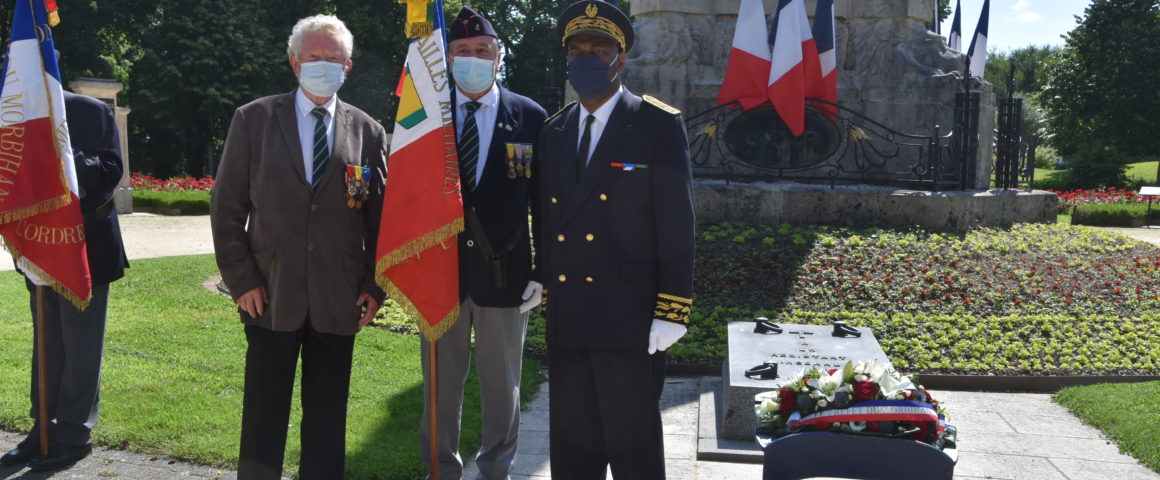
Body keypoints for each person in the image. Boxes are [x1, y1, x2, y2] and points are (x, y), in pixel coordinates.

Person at [210, 14, 387, 480]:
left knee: (327, 421)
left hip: (339, 298)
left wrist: (374, 286)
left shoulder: (368, 131)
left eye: (333, 58)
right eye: (313, 57)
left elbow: (380, 220)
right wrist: (242, 281)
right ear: (294, 62)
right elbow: (226, 210)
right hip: (269, 294)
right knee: (262, 417)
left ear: (348, 67)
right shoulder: (253, 120)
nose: (323, 64)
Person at [536, 1, 695, 478]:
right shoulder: (555, 129)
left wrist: (672, 308)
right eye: (577, 50)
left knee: (633, 446)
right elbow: (547, 217)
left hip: (630, 314)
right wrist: (543, 281)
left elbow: (676, 222)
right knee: (573, 446)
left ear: (620, 58)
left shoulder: (655, 124)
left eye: (598, 50)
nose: (586, 58)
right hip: (570, 310)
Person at [419, 7, 547, 480]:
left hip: (506, 274)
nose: (472, 57)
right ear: (448, 58)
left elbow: (545, 203)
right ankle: (440, 470)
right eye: (462, 50)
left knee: (502, 385)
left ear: (498, 56)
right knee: (439, 386)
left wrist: (542, 273)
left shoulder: (530, 116)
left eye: (482, 50)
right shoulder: (425, 116)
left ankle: (497, 469)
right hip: (439, 275)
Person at [0, 91, 129, 473]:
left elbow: (109, 171)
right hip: (38, 246)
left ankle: (73, 435)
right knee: (47, 344)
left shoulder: (90, 110)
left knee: (80, 346)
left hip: (85, 246)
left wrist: (58, 149)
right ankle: (43, 428)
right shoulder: (13, 115)